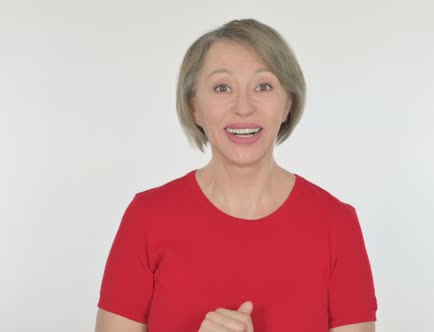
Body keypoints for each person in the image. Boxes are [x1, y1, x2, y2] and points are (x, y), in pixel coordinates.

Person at [95, 18, 378, 332]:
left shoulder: (336, 224)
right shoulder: (146, 218)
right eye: (222, 88)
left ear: (288, 104)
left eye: (263, 86)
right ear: (194, 108)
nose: (243, 107)